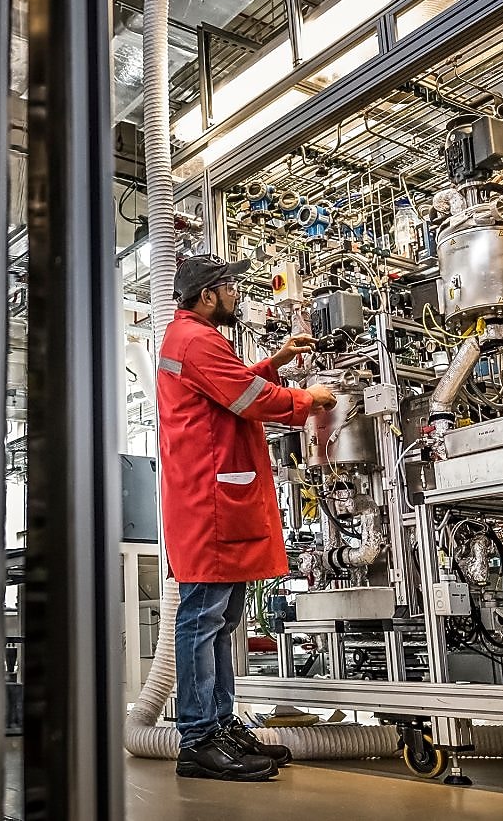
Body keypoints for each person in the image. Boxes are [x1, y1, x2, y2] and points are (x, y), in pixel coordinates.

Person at [156, 254, 336, 782]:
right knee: (203, 618)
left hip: (214, 495)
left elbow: (228, 387)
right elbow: (244, 397)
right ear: (208, 294)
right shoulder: (197, 339)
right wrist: (307, 399)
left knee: (222, 619)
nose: (237, 294)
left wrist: (277, 360)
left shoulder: (194, 340)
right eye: (230, 286)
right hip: (209, 501)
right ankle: (198, 738)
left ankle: (218, 723)